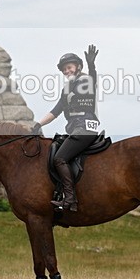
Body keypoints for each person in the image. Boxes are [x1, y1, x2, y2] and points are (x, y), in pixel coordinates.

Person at [32, 45, 103, 211]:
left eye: (69, 67)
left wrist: (91, 65)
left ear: (78, 67)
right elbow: (56, 111)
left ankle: (70, 200)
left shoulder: (86, 81)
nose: (67, 71)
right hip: (74, 129)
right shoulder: (67, 90)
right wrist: (38, 124)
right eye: (64, 69)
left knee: (59, 158)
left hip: (84, 128)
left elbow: (93, 78)